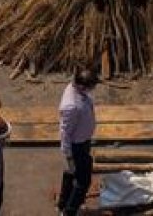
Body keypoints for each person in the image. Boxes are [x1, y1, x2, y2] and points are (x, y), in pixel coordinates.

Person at [58, 68, 99, 216]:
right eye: (91, 87)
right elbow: (65, 132)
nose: (93, 90)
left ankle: (63, 203)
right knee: (83, 181)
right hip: (77, 146)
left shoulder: (76, 91)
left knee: (71, 173)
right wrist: (69, 156)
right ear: (82, 86)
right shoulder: (71, 106)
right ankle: (70, 211)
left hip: (82, 142)